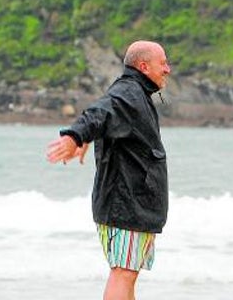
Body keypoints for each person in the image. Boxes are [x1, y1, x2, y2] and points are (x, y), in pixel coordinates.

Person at [45, 40, 172, 300]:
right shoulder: (129, 94)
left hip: (133, 206)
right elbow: (100, 113)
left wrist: (88, 138)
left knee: (127, 274)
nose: (168, 69)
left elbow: (107, 121)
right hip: (124, 205)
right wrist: (75, 136)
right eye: (163, 63)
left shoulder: (136, 94)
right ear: (144, 66)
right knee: (123, 273)